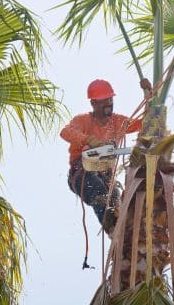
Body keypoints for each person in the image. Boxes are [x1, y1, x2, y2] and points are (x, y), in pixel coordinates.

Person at [60, 79, 150, 235]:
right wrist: (89, 140)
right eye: (104, 101)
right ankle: (112, 227)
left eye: (110, 100)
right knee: (99, 190)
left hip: (106, 177)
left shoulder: (118, 122)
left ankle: (123, 238)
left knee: (117, 202)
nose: (109, 104)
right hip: (81, 174)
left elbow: (144, 123)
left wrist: (149, 95)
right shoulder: (83, 121)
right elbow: (65, 132)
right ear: (94, 103)